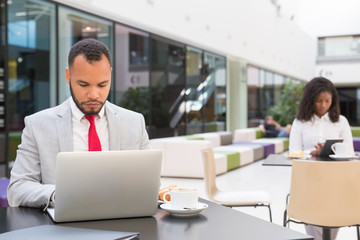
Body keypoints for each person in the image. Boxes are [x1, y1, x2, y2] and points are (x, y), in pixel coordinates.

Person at [7, 38, 150, 209]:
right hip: (64, 228)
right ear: (68, 76)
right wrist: (57, 195)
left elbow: (149, 183)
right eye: (83, 84)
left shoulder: (135, 122)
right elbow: (17, 188)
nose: (94, 94)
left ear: (110, 75)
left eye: (102, 84)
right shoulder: (37, 125)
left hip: (123, 221)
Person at [289, 77, 354, 240]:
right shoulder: (300, 122)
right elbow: (293, 153)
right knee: (313, 209)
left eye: (327, 100)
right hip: (308, 181)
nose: (323, 105)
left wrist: (327, 152)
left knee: (335, 208)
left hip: (337, 182)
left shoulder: (341, 122)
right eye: (318, 101)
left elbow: (350, 154)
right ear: (310, 100)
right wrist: (312, 153)